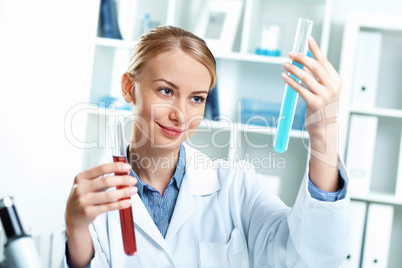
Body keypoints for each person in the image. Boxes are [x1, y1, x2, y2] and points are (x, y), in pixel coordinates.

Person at [64, 25, 349, 268]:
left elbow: (307, 258)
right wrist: (76, 228)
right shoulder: (95, 200)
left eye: (196, 98)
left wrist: (323, 134)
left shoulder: (237, 187)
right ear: (128, 87)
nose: (181, 114)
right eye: (166, 91)